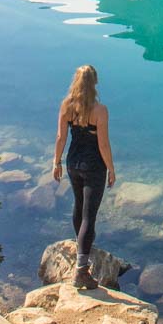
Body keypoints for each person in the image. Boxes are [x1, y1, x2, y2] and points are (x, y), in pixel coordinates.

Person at [52, 64, 117, 290]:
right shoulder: (100, 111)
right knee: (90, 215)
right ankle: (81, 270)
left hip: (73, 163)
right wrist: (111, 168)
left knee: (79, 206)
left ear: (75, 82)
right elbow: (103, 144)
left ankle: (81, 249)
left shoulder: (67, 106)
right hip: (93, 166)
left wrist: (56, 162)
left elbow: (61, 137)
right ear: (95, 83)